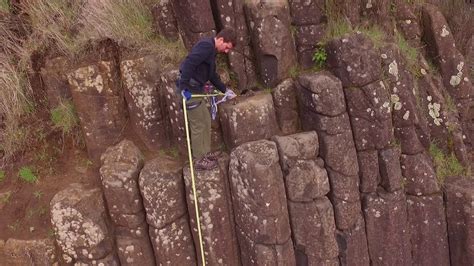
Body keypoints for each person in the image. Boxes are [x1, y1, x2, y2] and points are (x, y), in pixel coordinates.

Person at [177, 28, 237, 170]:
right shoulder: (206, 46)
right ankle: (199, 159)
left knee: (205, 119)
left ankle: (205, 153)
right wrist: (183, 88)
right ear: (221, 40)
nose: (226, 51)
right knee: (198, 124)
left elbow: (211, 75)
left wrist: (224, 90)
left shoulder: (211, 52)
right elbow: (189, 63)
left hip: (196, 90)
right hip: (189, 91)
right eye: (227, 47)